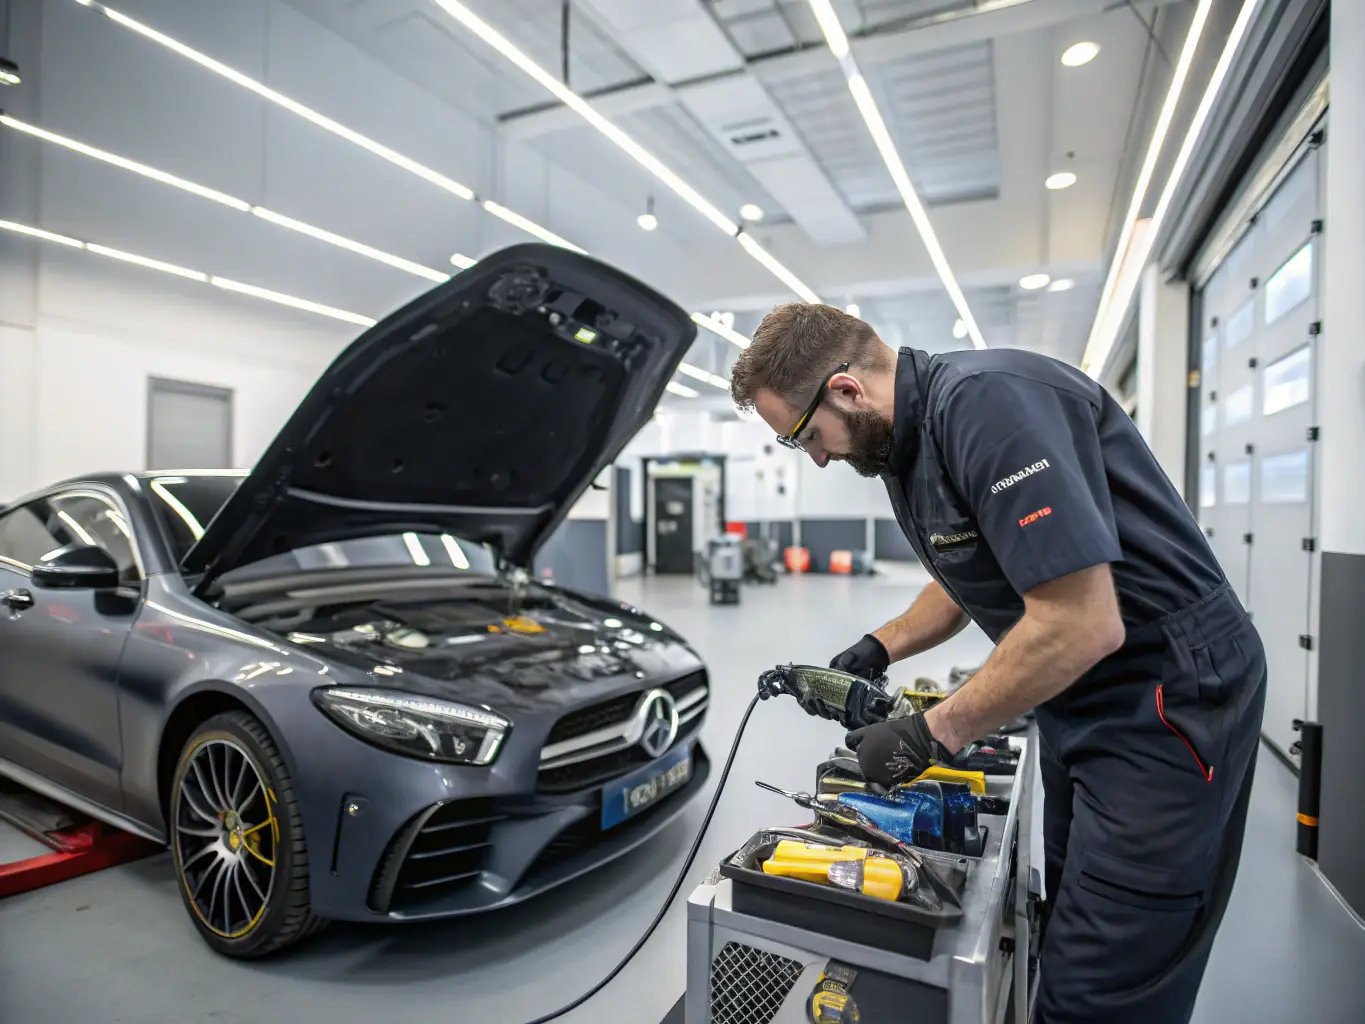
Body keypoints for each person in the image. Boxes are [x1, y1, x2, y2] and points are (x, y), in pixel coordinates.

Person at [729, 303, 1266, 1024]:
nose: (817, 456)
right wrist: (880, 646)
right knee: (1068, 912)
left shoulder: (988, 406)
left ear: (845, 391)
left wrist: (933, 733)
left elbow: (1080, 621)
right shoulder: (901, 443)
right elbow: (960, 570)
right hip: (1079, 696)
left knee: (1106, 976)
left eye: (802, 436)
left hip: (1165, 697)